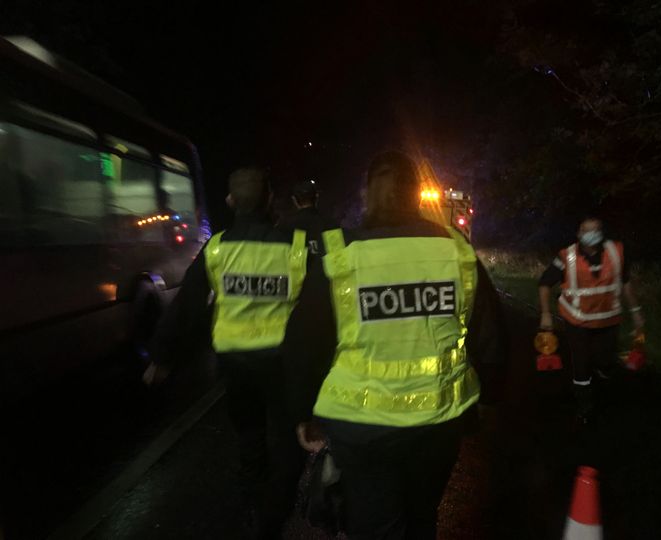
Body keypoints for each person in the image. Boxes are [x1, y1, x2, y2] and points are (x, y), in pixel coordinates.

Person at [282, 151, 506, 539]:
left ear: (367, 193)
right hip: (439, 424)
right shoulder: (455, 251)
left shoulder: (342, 257)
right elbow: (491, 335)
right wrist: (488, 398)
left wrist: (304, 413)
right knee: (422, 518)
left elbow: (306, 345)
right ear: (417, 195)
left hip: (364, 432)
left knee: (376, 525)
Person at [143, 167, 308, 539]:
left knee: (250, 440)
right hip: (280, 365)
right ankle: (272, 518)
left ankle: (253, 510)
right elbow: (313, 309)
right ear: (269, 200)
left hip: (236, 366)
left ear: (232, 201)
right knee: (287, 447)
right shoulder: (295, 248)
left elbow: (188, 303)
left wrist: (162, 356)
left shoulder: (216, 247)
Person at [538, 216, 644, 420]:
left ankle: (602, 379)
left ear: (602, 232)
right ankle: (584, 404)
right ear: (579, 234)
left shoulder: (616, 252)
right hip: (577, 321)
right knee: (581, 362)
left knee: (605, 362)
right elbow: (544, 283)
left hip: (608, 320)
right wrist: (545, 314)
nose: (591, 234)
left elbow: (626, 282)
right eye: (586, 231)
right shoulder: (566, 256)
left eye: (595, 230)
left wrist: (636, 311)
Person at [277, 179, 339, 255]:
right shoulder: (330, 224)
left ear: (294, 200)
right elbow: (338, 257)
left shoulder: (287, 225)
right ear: (316, 197)